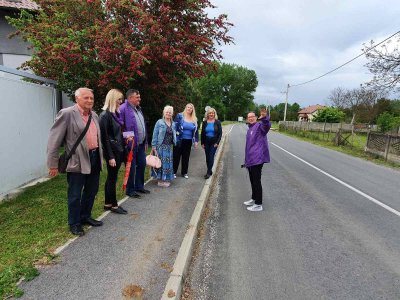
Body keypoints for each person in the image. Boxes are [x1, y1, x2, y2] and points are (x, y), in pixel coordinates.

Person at [47, 87, 103, 236]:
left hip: (94, 157)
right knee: (75, 194)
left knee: (91, 190)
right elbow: (54, 140)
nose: (90, 100)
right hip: (76, 160)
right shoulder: (67, 114)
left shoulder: (95, 115)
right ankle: (74, 223)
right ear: (77, 98)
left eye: (91, 98)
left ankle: (85, 216)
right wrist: (52, 164)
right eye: (86, 98)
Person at [99, 89, 128, 214]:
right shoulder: (105, 116)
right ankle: (114, 205)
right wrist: (110, 156)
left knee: (111, 178)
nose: (121, 102)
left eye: (121, 100)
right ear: (112, 99)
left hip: (118, 150)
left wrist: (127, 136)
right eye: (119, 99)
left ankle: (107, 203)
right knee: (112, 179)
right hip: (113, 153)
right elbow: (104, 139)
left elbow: (117, 133)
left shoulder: (115, 115)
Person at [119, 89, 150, 198]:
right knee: (131, 167)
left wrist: (145, 140)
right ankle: (130, 190)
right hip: (131, 146)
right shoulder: (123, 109)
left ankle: (139, 186)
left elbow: (143, 125)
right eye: (137, 97)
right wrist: (129, 141)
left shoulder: (138, 109)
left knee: (142, 164)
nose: (139, 99)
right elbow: (121, 127)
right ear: (130, 98)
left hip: (141, 144)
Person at [243, 108, 271, 212]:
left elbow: (266, 126)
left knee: (256, 181)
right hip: (250, 160)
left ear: (256, 118)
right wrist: (246, 160)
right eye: (249, 117)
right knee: (252, 180)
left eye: (252, 117)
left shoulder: (259, 126)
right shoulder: (250, 128)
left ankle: (258, 204)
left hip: (257, 159)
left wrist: (264, 118)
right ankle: (254, 198)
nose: (250, 118)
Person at [151, 105, 177, 187]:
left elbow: (174, 134)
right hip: (161, 146)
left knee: (167, 164)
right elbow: (155, 134)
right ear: (164, 113)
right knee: (160, 163)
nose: (168, 113)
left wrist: (175, 141)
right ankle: (160, 180)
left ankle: (165, 178)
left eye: (170, 112)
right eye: (167, 112)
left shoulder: (173, 124)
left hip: (169, 147)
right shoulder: (159, 122)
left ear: (172, 114)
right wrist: (153, 146)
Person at [173, 103, 199, 179]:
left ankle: (184, 173)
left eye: (191, 108)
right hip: (179, 140)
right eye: (188, 107)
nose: (189, 109)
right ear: (186, 108)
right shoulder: (180, 116)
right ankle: (173, 172)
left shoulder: (194, 119)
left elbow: (196, 131)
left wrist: (196, 140)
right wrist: (174, 137)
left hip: (189, 141)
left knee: (186, 157)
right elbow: (174, 126)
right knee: (176, 156)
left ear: (192, 110)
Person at [200, 107, 222, 179]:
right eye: (210, 113)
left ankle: (208, 172)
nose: (211, 114)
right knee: (207, 157)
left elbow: (220, 133)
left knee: (211, 157)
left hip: (214, 142)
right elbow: (203, 133)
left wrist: (217, 142)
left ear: (214, 114)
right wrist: (202, 143)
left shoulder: (217, 122)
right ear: (207, 114)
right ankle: (210, 170)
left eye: (212, 113)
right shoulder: (205, 122)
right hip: (206, 142)